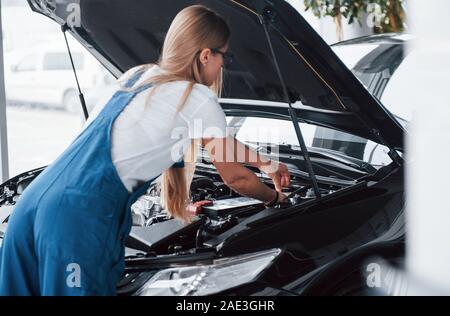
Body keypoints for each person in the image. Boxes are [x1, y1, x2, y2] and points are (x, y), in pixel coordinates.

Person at [0, 4, 290, 296]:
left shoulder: (137, 76)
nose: (223, 65)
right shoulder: (198, 97)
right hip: (76, 221)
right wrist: (274, 197)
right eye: (224, 56)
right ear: (205, 55)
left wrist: (267, 163)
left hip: (31, 206)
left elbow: (224, 145)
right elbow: (236, 179)